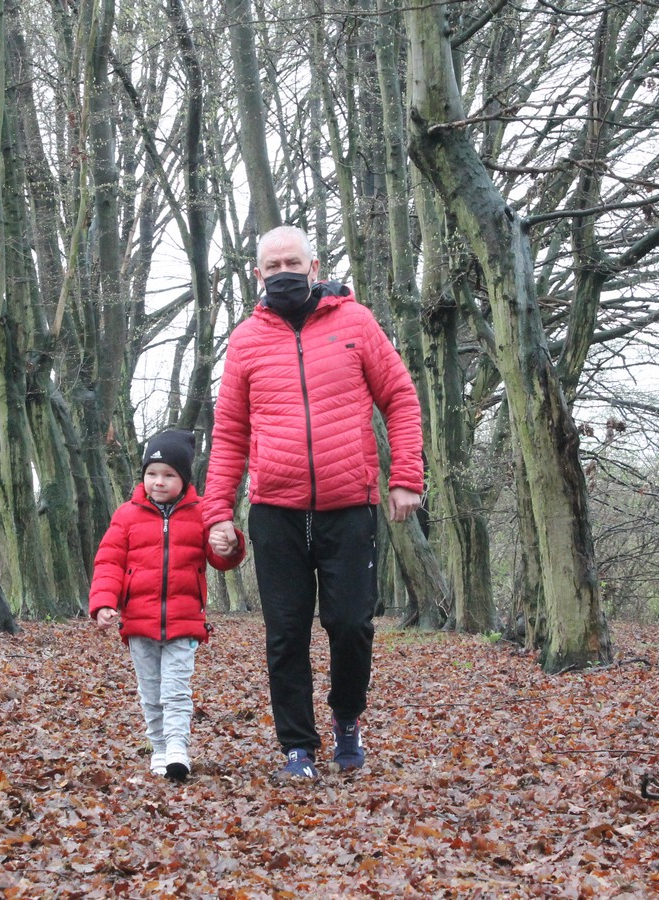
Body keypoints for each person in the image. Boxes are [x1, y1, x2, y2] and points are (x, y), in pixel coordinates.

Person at [204, 225, 424, 781]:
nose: (282, 273)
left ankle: (347, 718)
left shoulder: (356, 322)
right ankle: (297, 749)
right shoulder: (245, 341)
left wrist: (407, 477)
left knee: (351, 624)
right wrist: (216, 513)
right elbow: (229, 433)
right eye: (271, 266)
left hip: (349, 501)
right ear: (257, 274)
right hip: (275, 508)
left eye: (291, 263)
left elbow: (399, 397)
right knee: (285, 632)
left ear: (314, 264)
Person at [89, 429, 246, 781]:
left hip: (184, 621)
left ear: (184, 478)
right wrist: (103, 602)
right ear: (143, 475)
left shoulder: (202, 512)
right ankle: (158, 748)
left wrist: (231, 545)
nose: (158, 482)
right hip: (139, 624)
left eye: (169, 475)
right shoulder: (126, 515)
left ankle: (177, 748)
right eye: (152, 474)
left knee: (176, 690)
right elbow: (109, 562)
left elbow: (220, 558)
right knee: (151, 693)